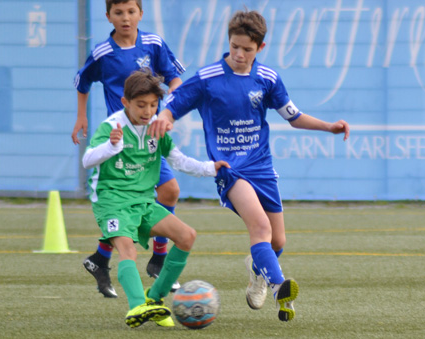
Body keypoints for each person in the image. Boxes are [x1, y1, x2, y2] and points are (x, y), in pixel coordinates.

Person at [149, 9, 350, 322]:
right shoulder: (208, 78)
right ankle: (278, 285)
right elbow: (174, 105)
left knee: (277, 241)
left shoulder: (267, 78)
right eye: (235, 47)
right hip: (229, 168)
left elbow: (293, 116)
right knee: (260, 228)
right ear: (228, 42)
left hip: (262, 167)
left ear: (260, 48)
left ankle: (258, 273)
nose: (239, 54)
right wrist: (164, 117)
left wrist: (329, 127)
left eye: (247, 49)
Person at [82, 70, 229, 327]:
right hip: (112, 200)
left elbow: (178, 160)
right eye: (141, 105)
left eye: (153, 105)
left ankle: (154, 300)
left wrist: (209, 168)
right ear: (125, 102)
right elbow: (87, 160)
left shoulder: (155, 129)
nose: (148, 111)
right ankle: (137, 307)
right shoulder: (111, 127)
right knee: (127, 249)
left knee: (187, 236)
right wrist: (110, 147)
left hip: (144, 201)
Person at [72, 0, 186, 298]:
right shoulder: (103, 53)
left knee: (169, 191)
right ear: (108, 16)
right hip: (122, 142)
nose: (125, 18)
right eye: (118, 13)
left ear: (141, 14)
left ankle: (104, 258)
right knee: (136, 203)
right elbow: (82, 82)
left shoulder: (153, 43)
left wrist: (167, 111)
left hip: (147, 134)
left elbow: (175, 78)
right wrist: (82, 116)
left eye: (131, 11)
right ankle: (155, 262)